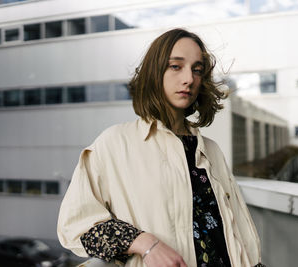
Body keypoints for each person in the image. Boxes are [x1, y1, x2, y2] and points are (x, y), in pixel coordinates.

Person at [57, 28, 265, 267]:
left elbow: (238, 234)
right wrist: (144, 243)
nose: (188, 78)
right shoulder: (114, 143)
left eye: (197, 69)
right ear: (155, 72)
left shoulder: (211, 150)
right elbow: (76, 226)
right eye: (175, 66)